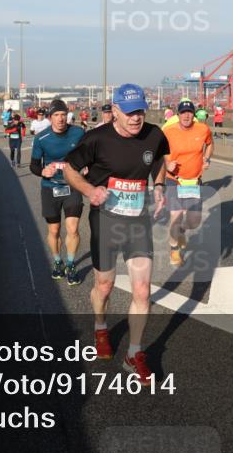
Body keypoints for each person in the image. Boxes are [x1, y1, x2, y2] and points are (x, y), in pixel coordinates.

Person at [64, 84, 169, 384]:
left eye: (141, 111)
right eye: (130, 112)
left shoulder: (154, 134)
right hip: (106, 219)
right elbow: (70, 170)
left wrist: (159, 186)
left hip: (138, 221)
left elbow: (160, 160)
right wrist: (88, 190)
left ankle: (134, 355)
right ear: (116, 111)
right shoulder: (96, 139)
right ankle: (100, 327)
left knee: (142, 290)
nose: (137, 118)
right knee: (105, 286)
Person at [31, 99, 86, 286]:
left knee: (73, 229)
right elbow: (34, 165)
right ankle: (57, 261)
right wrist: (42, 171)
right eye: (56, 115)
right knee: (54, 231)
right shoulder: (41, 138)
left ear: (68, 116)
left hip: (72, 186)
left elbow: (89, 154)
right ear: (50, 118)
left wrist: (87, 166)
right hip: (50, 188)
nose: (61, 119)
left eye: (63, 115)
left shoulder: (78, 133)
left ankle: (70, 264)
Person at [161, 100, 214, 267]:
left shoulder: (203, 129)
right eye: (183, 112)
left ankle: (182, 232)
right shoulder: (169, 132)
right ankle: (174, 251)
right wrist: (167, 164)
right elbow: (160, 152)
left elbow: (210, 144)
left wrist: (206, 158)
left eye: (189, 112)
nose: (186, 115)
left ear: (194, 114)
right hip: (174, 180)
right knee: (176, 216)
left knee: (192, 221)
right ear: (178, 115)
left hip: (194, 181)